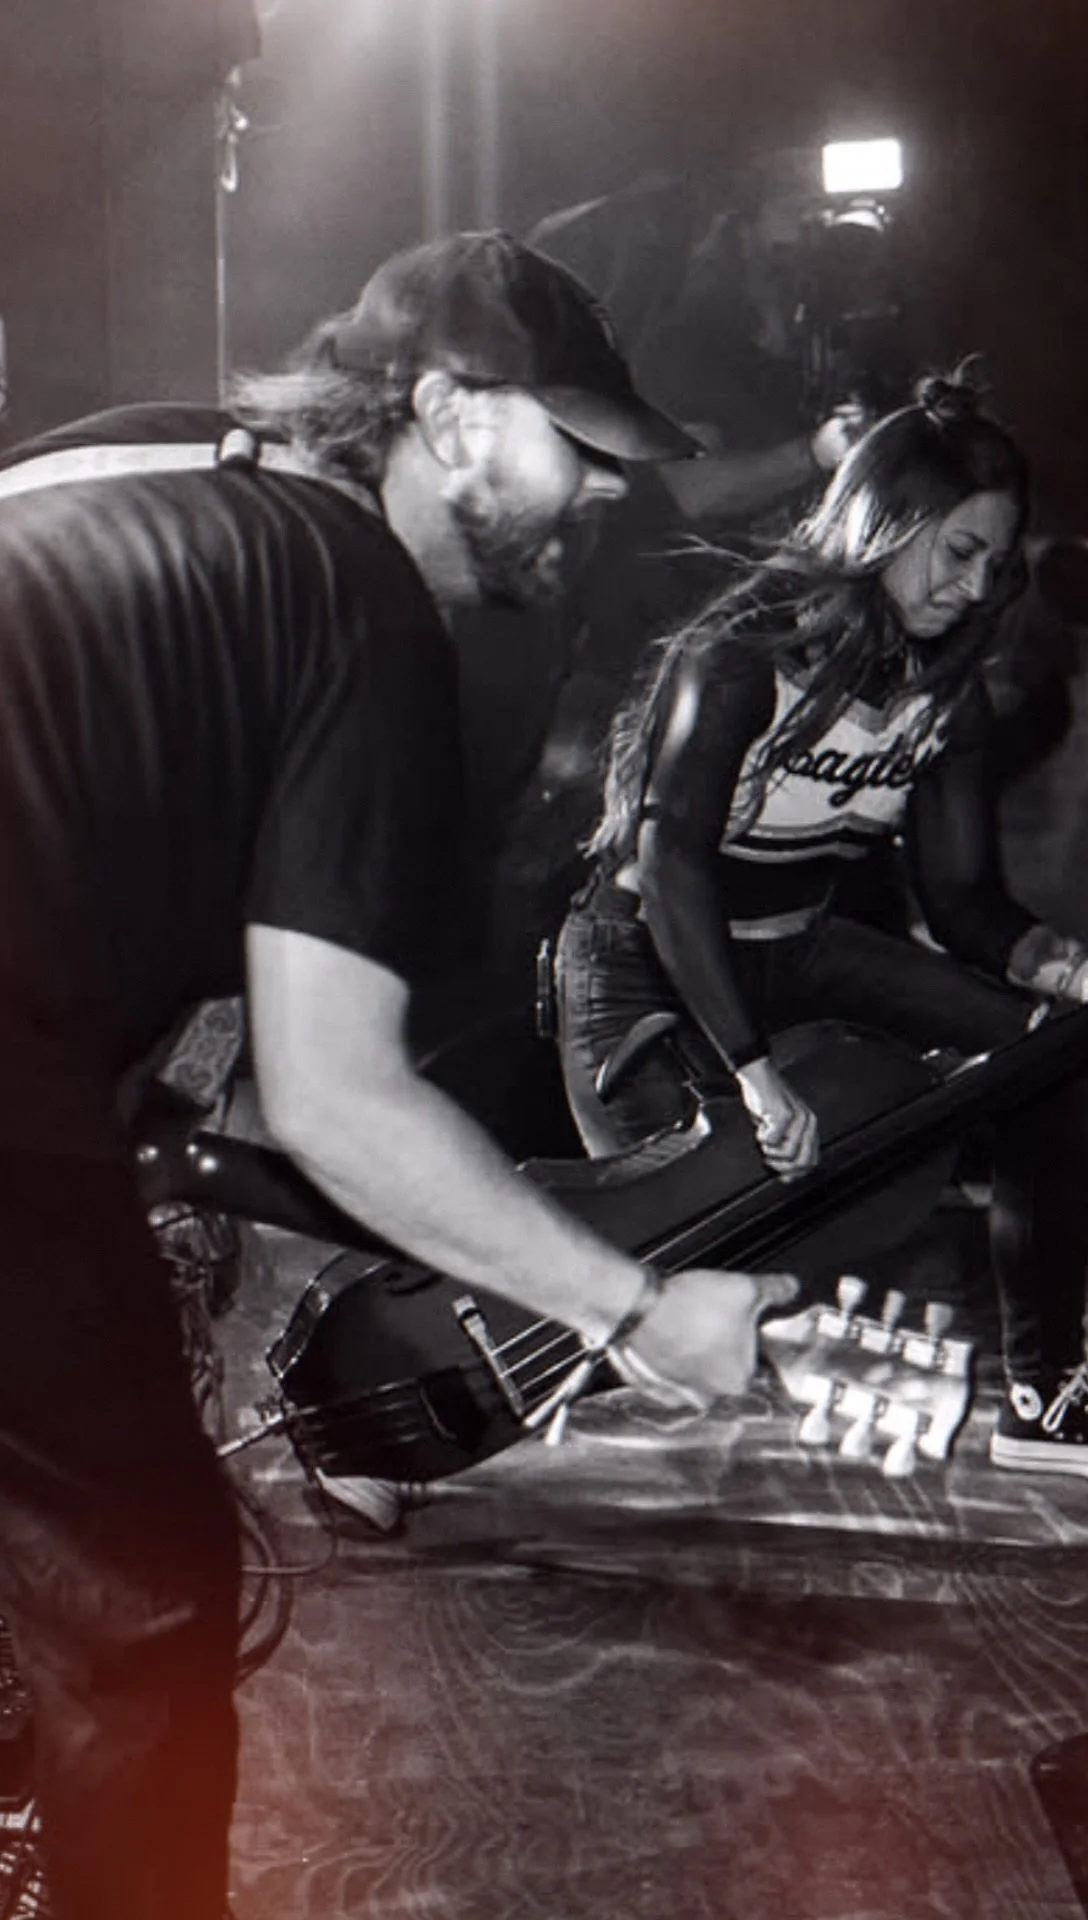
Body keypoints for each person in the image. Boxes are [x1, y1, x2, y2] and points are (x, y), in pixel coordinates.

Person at [0, 229, 795, 1920]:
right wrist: (634, 1313)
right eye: (569, 446)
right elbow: (334, 1094)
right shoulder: (361, 603)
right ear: (441, 412)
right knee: (136, 1598)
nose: (596, 498)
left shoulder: (152, 465)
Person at [554, 365, 1088, 1490]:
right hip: (647, 969)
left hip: (799, 948)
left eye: (992, 565)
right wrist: (759, 1077)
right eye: (955, 551)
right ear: (879, 521)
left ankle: (1047, 1396)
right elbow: (672, 868)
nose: (972, 587)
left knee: (1052, 1066)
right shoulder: (738, 656)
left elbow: (962, 904)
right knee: (686, 1269)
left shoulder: (947, 696)